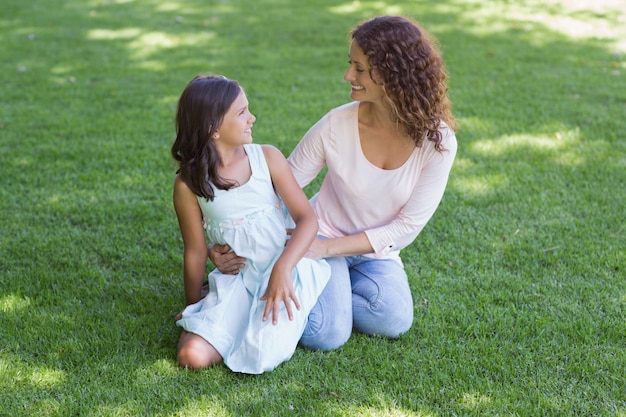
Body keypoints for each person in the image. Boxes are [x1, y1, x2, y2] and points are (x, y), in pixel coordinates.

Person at [209, 15, 458, 350]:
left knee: (393, 318)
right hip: (320, 233)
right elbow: (281, 185)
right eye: (350, 65)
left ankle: (319, 288)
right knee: (326, 333)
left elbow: (406, 228)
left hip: (372, 252)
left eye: (359, 68)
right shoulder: (336, 125)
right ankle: (312, 287)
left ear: (392, 75)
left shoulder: (437, 141)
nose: (347, 76)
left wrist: (327, 250)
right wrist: (219, 243)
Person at [171, 74, 330, 373]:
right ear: (212, 129)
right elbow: (194, 251)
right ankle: (227, 316)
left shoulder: (267, 158)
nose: (252, 118)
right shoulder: (188, 185)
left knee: (260, 353)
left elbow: (307, 219)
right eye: (242, 112)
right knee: (191, 355)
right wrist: (194, 305)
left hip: (285, 272)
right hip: (238, 280)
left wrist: (283, 268)